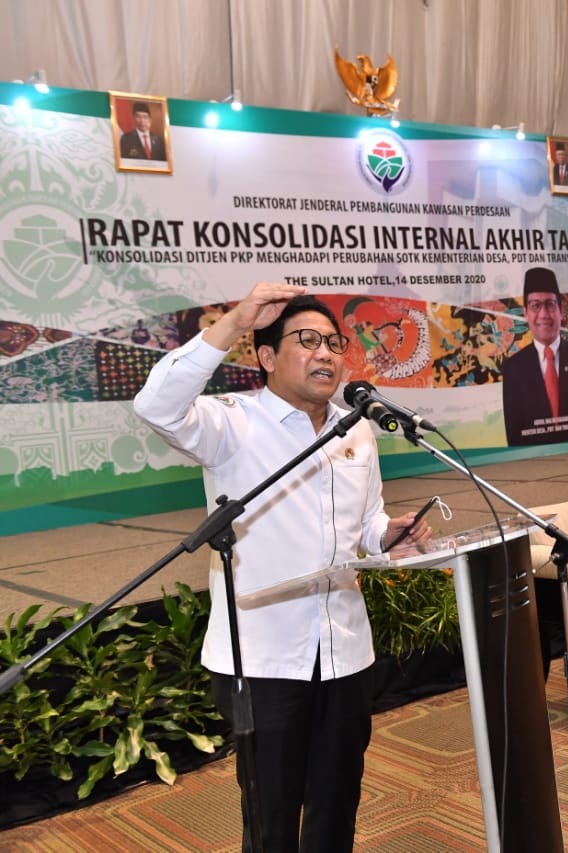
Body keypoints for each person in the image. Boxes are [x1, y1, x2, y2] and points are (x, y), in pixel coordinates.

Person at [134, 282, 431, 851]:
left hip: (345, 651)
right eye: (307, 341)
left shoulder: (355, 428)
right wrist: (235, 321)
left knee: (337, 807)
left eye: (334, 343)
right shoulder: (232, 423)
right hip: (265, 659)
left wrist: (387, 534)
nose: (326, 354)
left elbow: (366, 523)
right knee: (271, 820)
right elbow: (156, 406)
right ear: (267, 356)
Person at [501, 267, 568, 445]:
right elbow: (514, 436)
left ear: (561, 310)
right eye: (535, 306)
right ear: (525, 313)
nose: (543, 315)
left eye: (550, 304)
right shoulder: (514, 368)